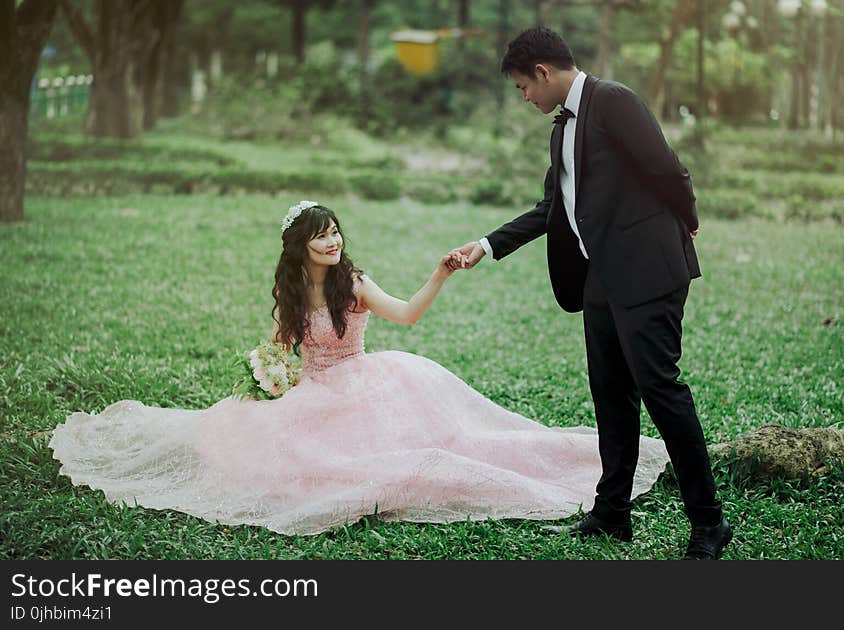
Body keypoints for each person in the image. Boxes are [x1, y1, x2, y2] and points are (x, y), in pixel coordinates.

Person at [49, 201, 671, 538]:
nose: (332, 242)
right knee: (255, 448)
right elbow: (274, 348)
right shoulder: (293, 295)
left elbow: (406, 316)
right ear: (300, 248)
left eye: (335, 232)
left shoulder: (354, 282)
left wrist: (440, 274)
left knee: (454, 448)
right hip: (316, 391)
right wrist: (267, 379)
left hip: (372, 383)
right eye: (320, 237)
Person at [450, 28, 732, 559]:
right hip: (600, 276)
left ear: (543, 72)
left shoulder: (615, 101)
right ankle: (611, 513)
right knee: (610, 394)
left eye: (522, 87)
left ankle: (709, 523)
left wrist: (688, 221)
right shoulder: (562, 132)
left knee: (661, 390)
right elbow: (550, 208)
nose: (525, 98)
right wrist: (485, 246)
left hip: (648, 271)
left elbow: (668, 168)